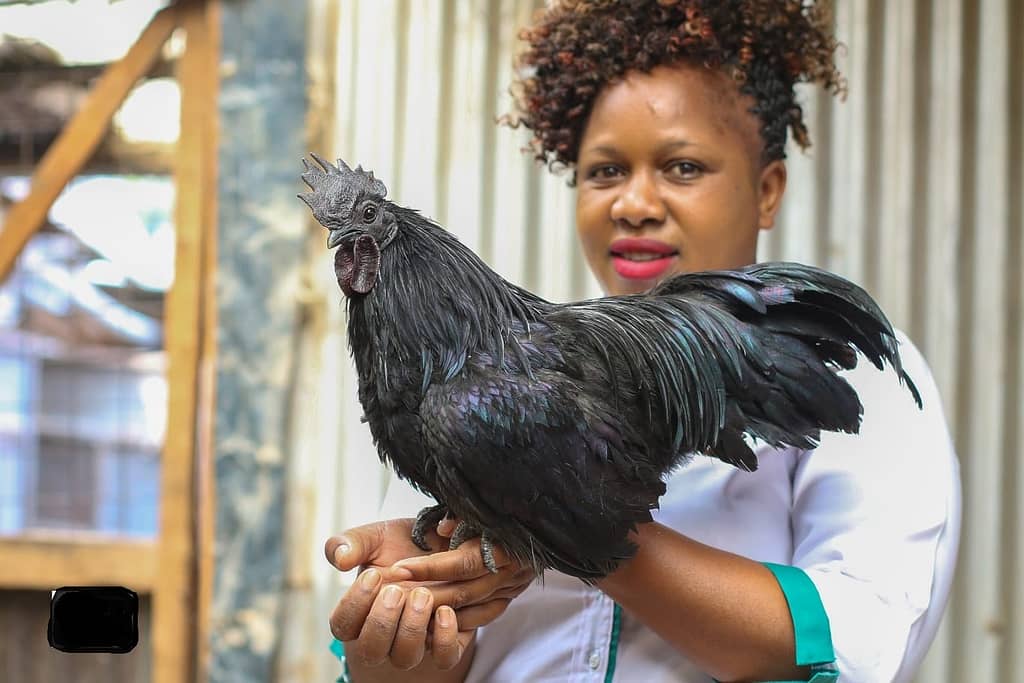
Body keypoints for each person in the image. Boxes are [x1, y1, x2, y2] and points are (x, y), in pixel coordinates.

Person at [323, 1, 961, 681]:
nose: (634, 203)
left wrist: (568, 528)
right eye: (604, 172)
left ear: (767, 189)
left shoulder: (851, 373)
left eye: (683, 167)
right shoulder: (457, 371)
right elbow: (422, 667)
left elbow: (864, 637)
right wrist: (406, 632)